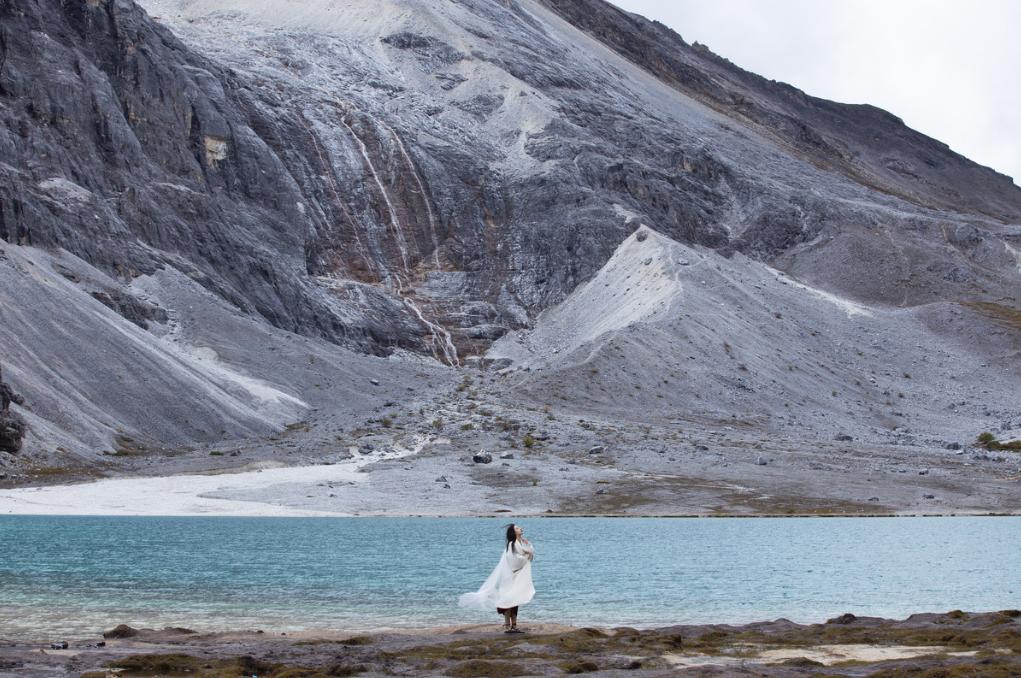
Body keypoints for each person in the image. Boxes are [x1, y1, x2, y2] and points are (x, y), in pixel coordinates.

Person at [458, 523, 535, 633]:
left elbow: (530, 552)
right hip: (511, 577)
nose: (521, 528)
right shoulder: (511, 544)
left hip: (517, 575)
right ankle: (509, 625)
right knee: (509, 600)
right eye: (517, 528)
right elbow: (514, 560)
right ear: (514, 532)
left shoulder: (521, 542)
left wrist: (528, 548)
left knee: (515, 600)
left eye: (520, 527)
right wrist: (527, 554)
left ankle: (513, 625)